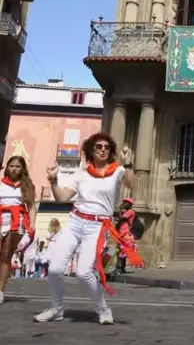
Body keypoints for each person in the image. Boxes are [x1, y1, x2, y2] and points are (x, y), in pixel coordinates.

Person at [34, 133, 141, 324]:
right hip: (75, 222)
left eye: (107, 147)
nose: (102, 150)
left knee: (83, 272)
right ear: (91, 150)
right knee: (55, 269)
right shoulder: (81, 175)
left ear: (111, 152)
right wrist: (53, 180)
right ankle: (57, 309)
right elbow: (62, 198)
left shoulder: (117, 172)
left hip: (98, 226)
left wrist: (128, 164)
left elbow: (131, 184)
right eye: (99, 146)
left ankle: (103, 309)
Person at [0, 156, 36, 304]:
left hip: (17, 222)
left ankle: (0, 291)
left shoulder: (26, 186)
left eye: (18, 166)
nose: (14, 168)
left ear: (22, 169)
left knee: (6, 257)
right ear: (7, 168)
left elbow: (32, 206)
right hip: (1, 217)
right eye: (12, 166)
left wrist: (32, 225)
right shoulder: (1, 184)